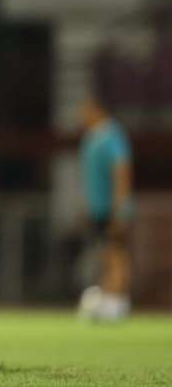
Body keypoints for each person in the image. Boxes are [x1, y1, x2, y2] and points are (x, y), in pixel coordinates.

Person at [76, 94, 134, 322]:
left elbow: (122, 170)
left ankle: (117, 301)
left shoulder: (112, 135)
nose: (82, 116)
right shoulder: (91, 137)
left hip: (112, 207)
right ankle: (108, 296)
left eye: (86, 110)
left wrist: (121, 208)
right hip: (98, 207)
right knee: (105, 253)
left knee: (117, 252)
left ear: (98, 109)